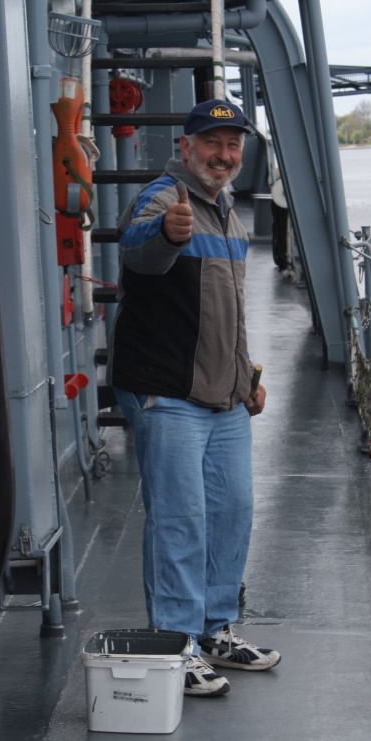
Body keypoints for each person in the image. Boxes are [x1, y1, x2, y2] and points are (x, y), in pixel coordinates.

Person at [108, 98, 279, 698]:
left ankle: (213, 630)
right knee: (180, 520)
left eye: (233, 144)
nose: (224, 154)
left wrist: (246, 377)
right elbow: (139, 253)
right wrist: (167, 235)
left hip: (223, 395)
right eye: (212, 142)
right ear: (185, 147)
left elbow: (227, 310)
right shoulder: (165, 199)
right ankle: (174, 645)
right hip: (168, 390)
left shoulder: (228, 210)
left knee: (232, 511)